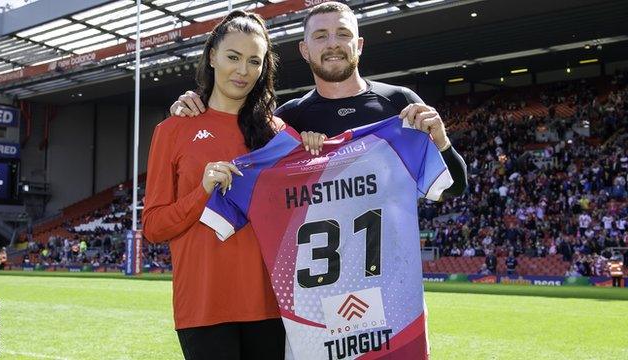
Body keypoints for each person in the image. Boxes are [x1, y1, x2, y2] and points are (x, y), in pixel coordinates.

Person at [170, 2, 467, 199]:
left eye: (343, 33)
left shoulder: (400, 104)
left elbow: (453, 190)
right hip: (314, 289)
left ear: (359, 45)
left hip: (393, 285)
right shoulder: (288, 120)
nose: (333, 43)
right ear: (304, 50)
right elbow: (247, 174)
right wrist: (198, 109)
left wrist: (442, 144)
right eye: (321, 36)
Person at [142, 11, 286, 359]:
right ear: (212, 56)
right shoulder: (172, 130)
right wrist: (202, 191)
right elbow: (153, 227)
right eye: (233, 57)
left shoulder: (278, 133)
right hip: (203, 306)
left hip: (270, 306)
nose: (242, 70)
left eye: (254, 61)